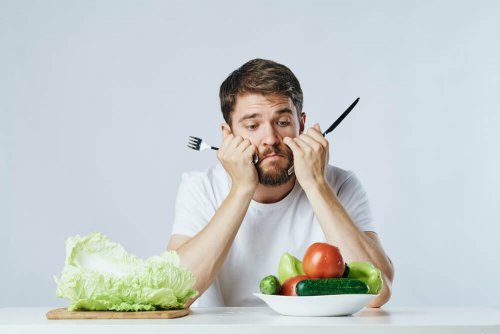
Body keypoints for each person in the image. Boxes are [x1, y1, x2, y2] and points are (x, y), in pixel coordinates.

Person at [167, 59, 394, 307]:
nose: (270, 139)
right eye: (252, 125)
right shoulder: (201, 187)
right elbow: (172, 292)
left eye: (283, 122)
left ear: (302, 125)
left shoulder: (340, 184)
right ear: (227, 135)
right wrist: (242, 188)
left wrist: (317, 185)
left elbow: (378, 291)